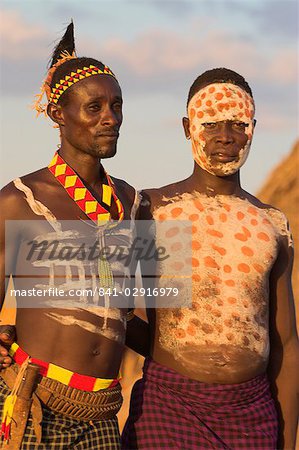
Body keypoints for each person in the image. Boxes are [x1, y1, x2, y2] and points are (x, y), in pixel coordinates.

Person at [123, 68, 299, 449]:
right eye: (211, 123)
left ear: (253, 128)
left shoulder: (271, 224)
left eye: (238, 124)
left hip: (253, 414)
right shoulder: (156, 209)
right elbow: (100, 296)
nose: (225, 136)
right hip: (170, 405)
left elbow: (285, 343)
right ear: (187, 127)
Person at [0, 21, 139, 449]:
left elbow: (141, 314)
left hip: (103, 414)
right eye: (94, 107)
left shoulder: (133, 204)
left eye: (116, 105)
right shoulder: (19, 200)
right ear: (58, 114)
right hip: (35, 402)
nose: (110, 118)